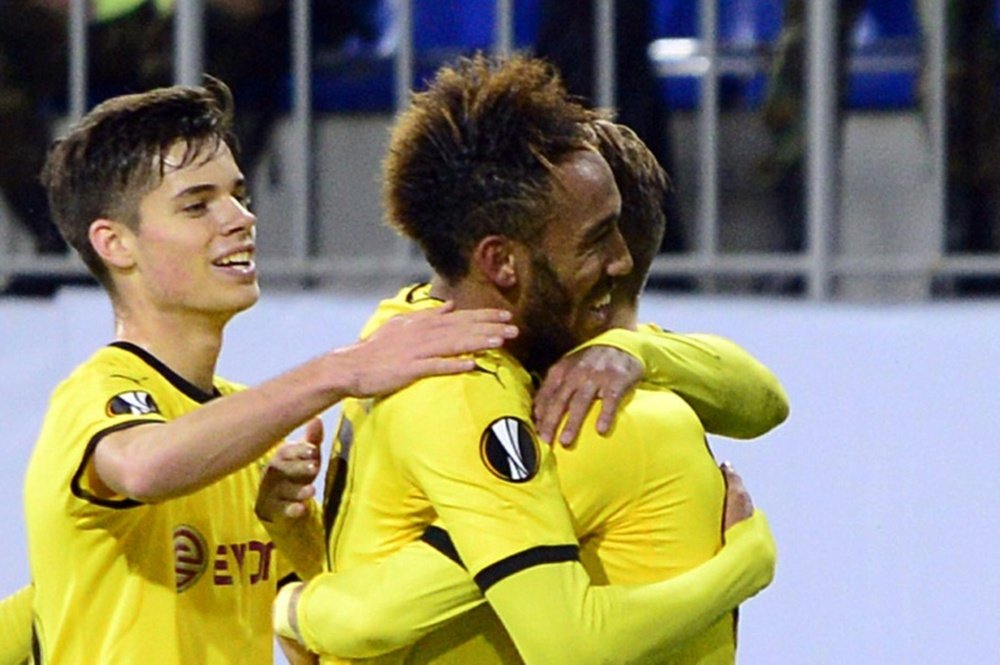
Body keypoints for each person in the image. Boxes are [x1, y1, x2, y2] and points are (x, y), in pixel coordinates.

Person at [265, 54, 780, 663]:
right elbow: (380, 620)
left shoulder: (399, 330)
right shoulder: (556, 416)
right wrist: (747, 564)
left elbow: (764, 399)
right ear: (501, 261)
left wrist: (633, 347)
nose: (618, 260)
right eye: (597, 238)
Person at [21, 76, 518, 664]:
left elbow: (308, 647)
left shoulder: (248, 443)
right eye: (197, 205)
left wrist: (289, 527)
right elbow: (144, 467)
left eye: (239, 195)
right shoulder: (99, 394)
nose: (239, 219)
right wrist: (342, 371)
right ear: (115, 243)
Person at [0, 0, 289, 295]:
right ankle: (67, 237)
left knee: (189, 75)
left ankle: (181, 252)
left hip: (188, 22)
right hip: (78, 22)